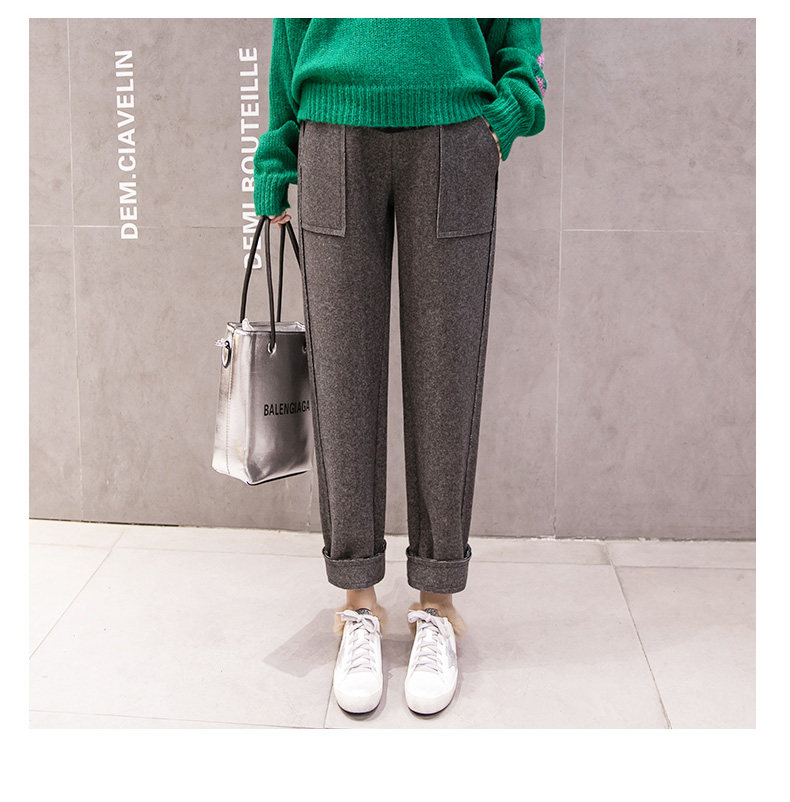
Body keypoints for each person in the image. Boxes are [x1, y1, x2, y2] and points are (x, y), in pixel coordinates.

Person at [253, 17, 547, 716]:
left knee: (447, 378)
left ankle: (437, 605)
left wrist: (504, 116)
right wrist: (277, 153)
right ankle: (357, 604)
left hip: (454, 135)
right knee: (342, 378)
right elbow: (291, 23)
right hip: (333, 134)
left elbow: (518, 31)